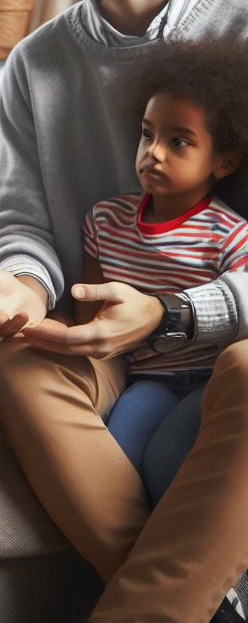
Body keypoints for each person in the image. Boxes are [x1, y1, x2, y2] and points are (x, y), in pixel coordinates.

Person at [0, 0, 248, 623]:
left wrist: (176, 310)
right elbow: (27, 225)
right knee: (17, 368)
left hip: (233, 334)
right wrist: (23, 287)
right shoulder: (36, 66)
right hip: (106, 342)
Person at [82, 40, 248, 502]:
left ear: (225, 161)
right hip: (147, 379)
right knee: (117, 460)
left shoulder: (231, 236)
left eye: (178, 141)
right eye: (146, 134)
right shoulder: (105, 220)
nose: (153, 152)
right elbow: (90, 314)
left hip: (213, 382)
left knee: (168, 462)